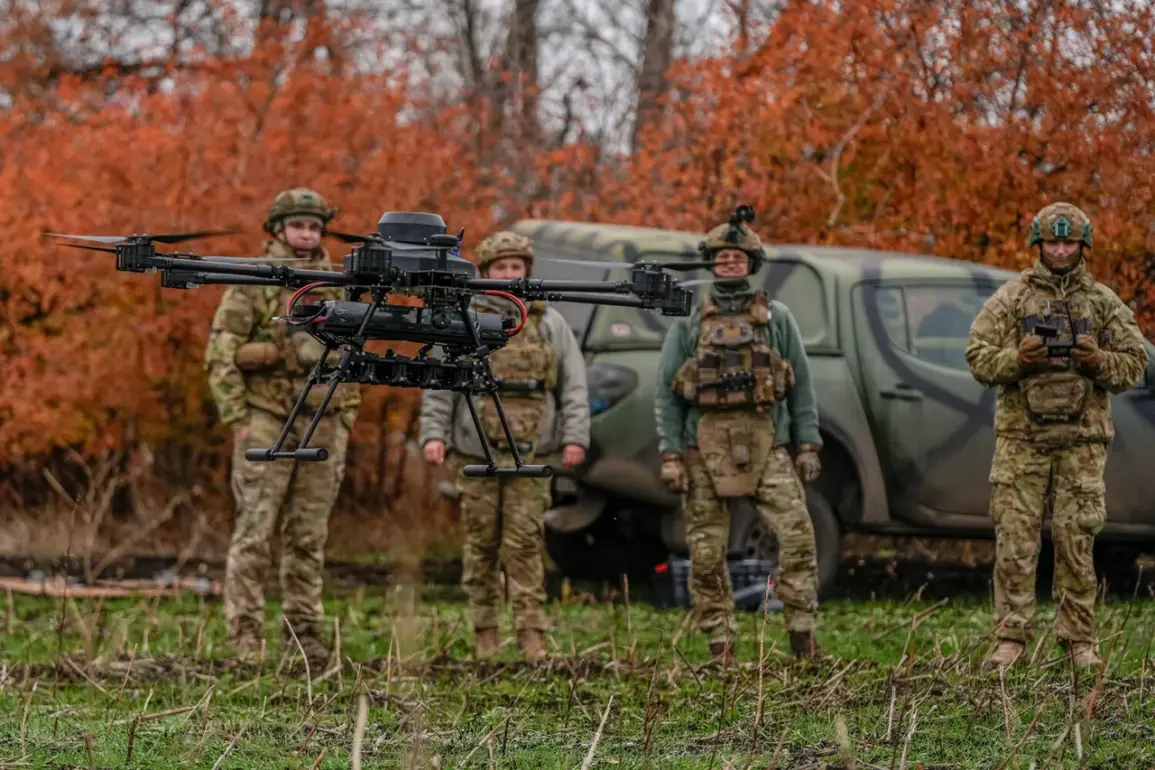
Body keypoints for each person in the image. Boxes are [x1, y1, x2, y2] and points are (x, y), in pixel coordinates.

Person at [966, 202, 1147, 669]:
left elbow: (1135, 364)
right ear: (1038, 243)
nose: (1061, 250)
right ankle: (1011, 639)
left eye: (1069, 242)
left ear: (1082, 245)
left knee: (1076, 541)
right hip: (1021, 440)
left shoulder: (1102, 302)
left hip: (1081, 443)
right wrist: (1018, 360)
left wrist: (1098, 361)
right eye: (1053, 241)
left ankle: (1078, 640)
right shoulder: (1012, 298)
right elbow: (977, 355)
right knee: (1015, 539)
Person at [654, 211, 825, 663]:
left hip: (768, 443)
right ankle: (721, 645)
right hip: (702, 448)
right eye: (722, 257)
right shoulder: (690, 322)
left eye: (738, 257)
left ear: (752, 262)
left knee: (798, 536)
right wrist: (671, 454)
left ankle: (802, 636)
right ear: (710, 262)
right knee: (706, 552)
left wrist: (808, 444)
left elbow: (802, 384)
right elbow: (667, 391)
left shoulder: (778, 318)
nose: (730, 263)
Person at [204, 188, 361, 667]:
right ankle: (245, 634)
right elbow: (220, 354)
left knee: (308, 536)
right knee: (256, 530)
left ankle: (304, 635)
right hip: (266, 418)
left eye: (314, 227)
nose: (306, 235)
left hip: (323, 419)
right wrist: (237, 418)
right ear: (278, 229)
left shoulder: (338, 283)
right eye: (297, 226)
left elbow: (355, 357)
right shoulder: (254, 282)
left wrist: (346, 415)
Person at [419, 231, 590, 661]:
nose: (509, 274)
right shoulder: (463, 320)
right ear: (485, 271)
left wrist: (575, 437)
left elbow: (574, 385)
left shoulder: (548, 322)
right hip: (474, 452)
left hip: (532, 455)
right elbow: (439, 384)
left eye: (516, 267)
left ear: (527, 271)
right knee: (480, 544)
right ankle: (486, 631)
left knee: (526, 542)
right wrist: (434, 434)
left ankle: (531, 632)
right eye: (501, 267)